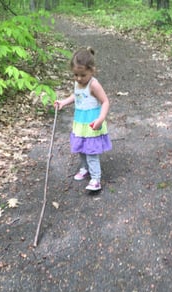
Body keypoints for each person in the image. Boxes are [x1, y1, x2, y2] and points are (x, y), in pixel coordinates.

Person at [54, 47, 112, 191]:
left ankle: (95, 179)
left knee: (91, 151)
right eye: (75, 75)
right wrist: (63, 102)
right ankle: (85, 168)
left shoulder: (94, 84)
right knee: (81, 148)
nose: (79, 78)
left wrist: (101, 119)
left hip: (92, 122)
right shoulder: (78, 83)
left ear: (92, 71)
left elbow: (105, 101)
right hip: (80, 122)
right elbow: (76, 96)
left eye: (83, 75)